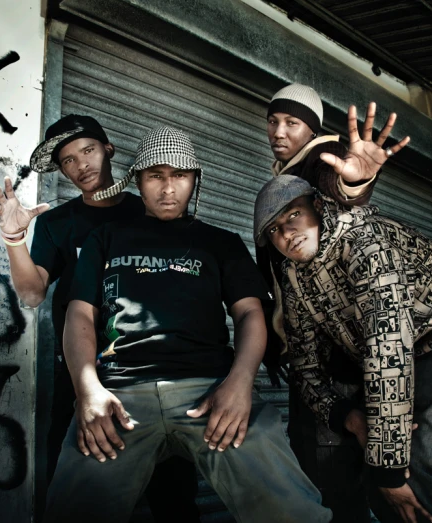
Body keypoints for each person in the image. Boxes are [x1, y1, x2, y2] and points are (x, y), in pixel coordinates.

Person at [43, 126, 332, 523]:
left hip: (211, 392)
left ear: (195, 180)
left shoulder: (220, 242)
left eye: (179, 175)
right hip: (120, 395)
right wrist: (87, 389)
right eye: (155, 176)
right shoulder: (105, 239)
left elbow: (250, 313)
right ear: (138, 181)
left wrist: (240, 383)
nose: (167, 188)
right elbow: (80, 315)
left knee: (291, 511)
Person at [0, 115, 199, 520]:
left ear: (109, 151)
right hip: (82, 372)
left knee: (173, 494)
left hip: (150, 369)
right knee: (80, 495)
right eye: (68, 160)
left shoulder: (152, 210)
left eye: (87, 150)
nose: (81, 164)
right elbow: (32, 293)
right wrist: (14, 239)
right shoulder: (56, 223)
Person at [253, 174, 432, 523]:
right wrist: (349, 418)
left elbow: (387, 349)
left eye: (292, 215)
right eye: (273, 230)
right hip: (381, 354)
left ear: (318, 207)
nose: (286, 234)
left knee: (416, 473)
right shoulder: (293, 276)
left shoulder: (367, 244)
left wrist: (389, 469)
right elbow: (305, 368)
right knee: (377, 477)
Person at [260, 83, 410, 521]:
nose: (279, 131)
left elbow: (342, 190)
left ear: (313, 128)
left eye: (292, 122)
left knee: (331, 475)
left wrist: (356, 182)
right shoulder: (283, 173)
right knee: (339, 470)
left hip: (333, 349)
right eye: (273, 120)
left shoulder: (319, 163)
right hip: (316, 344)